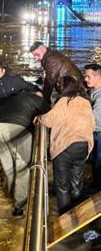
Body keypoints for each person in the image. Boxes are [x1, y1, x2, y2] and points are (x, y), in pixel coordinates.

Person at [36, 75, 95, 214]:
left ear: (64, 88)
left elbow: (49, 120)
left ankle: (65, 217)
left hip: (65, 147)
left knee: (62, 186)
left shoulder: (64, 101)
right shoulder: (86, 102)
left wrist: (39, 118)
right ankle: (78, 215)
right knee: (76, 183)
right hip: (83, 146)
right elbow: (92, 124)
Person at [0, 91, 50, 216]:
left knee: (8, 166)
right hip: (17, 129)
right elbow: (49, 116)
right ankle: (19, 206)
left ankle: (12, 195)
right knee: (22, 166)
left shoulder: (16, 98)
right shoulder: (38, 100)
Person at [85, 63, 101, 189]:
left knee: (99, 162)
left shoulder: (100, 97)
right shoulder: (93, 91)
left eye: (88, 77)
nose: (85, 79)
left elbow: (95, 120)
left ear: (98, 77)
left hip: (99, 133)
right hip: (96, 132)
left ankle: (97, 188)